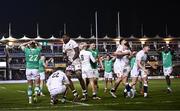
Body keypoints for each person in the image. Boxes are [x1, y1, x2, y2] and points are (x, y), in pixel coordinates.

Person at [62, 34, 87, 101]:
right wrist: (64, 57)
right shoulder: (64, 45)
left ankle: (85, 93)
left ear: (68, 37)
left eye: (64, 37)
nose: (63, 39)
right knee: (67, 77)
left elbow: (77, 52)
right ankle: (76, 94)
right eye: (62, 38)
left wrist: (72, 60)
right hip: (70, 63)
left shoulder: (73, 42)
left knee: (79, 75)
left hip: (76, 61)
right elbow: (64, 53)